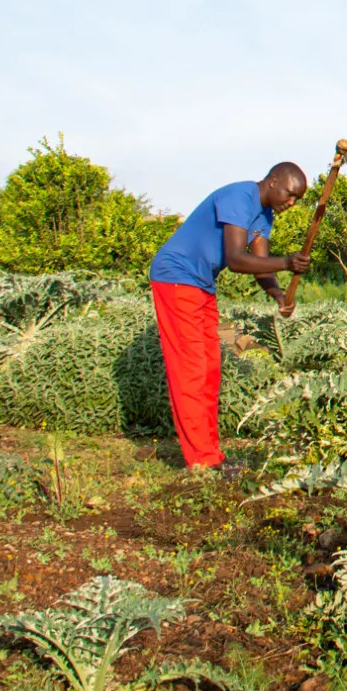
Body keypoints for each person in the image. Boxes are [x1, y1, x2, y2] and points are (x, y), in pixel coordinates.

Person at [147, 163, 311, 471]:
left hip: (201, 284)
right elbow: (236, 260)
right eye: (290, 194)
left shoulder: (264, 216)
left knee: (210, 366)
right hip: (175, 277)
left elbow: (259, 262)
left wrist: (277, 294)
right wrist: (289, 262)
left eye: (298, 199)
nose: (292, 203)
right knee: (191, 368)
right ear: (273, 181)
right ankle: (203, 461)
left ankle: (209, 453)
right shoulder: (240, 197)